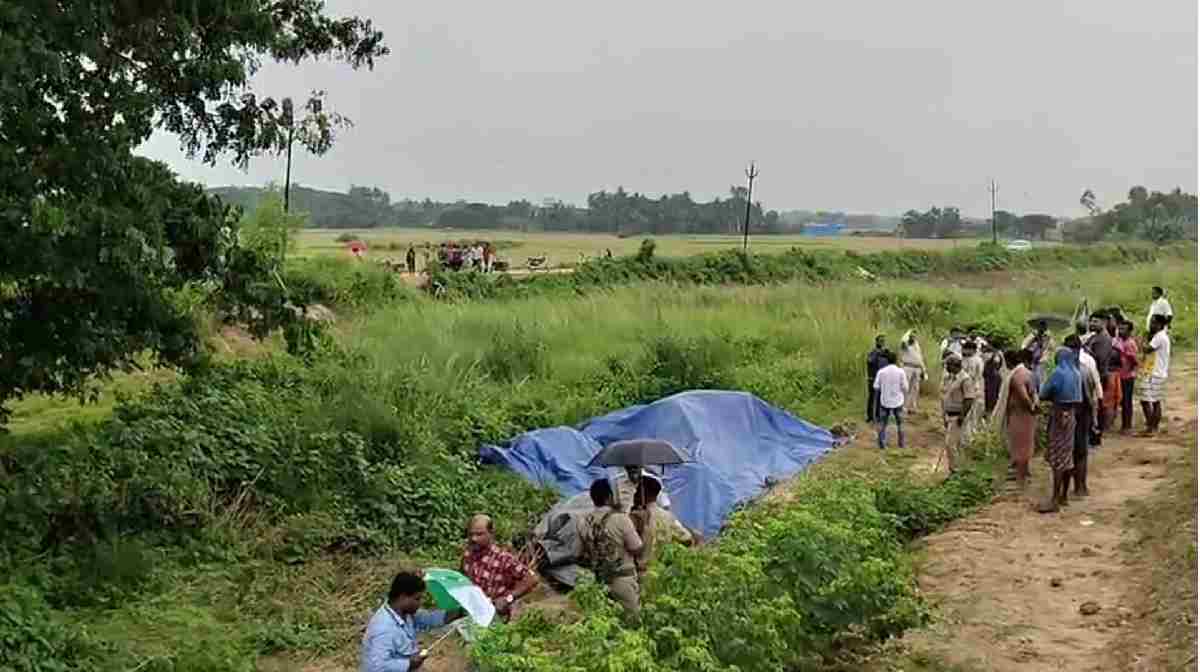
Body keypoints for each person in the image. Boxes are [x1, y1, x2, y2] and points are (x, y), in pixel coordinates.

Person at [359, 571, 464, 672]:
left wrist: (460, 612)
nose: (420, 603)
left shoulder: (406, 614)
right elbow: (376, 667)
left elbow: (431, 618)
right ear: (403, 597)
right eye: (417, 599)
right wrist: (409, 663)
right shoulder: (384, 628)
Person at [577, 478, 643, 619]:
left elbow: (582, 552)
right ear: (609, 497)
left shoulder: (583, 521)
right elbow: (637, 548)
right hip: (622, 580)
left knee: (604, 622)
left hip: (598, 581)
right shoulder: (621, 519)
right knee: (632, 622)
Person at [461, 514, 538, 621]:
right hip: (470, 610)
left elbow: (532, 579)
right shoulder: (468, 556)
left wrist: (508, 598)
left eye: (479, 534)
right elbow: (462, 580)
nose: (474, 539)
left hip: (493, 615)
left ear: (491, 533)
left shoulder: (503, 559)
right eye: (471, 534)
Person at [1038, 346, 1082, 513]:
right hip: (1071, 415)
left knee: (1057, 459)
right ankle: (1063, 496)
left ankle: (1054, 500)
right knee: (1067, 457)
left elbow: (1044, 393)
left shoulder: (1058, 373)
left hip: (1059, 415)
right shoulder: (1076, 373)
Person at [628, 475, 698, 580]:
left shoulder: (635, 517)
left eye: (636, 492)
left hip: (640, 575)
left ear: (643, 493)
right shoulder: (668, 517)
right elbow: (687, 539)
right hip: (662, 575)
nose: (634, 495)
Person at [992, 349, 1038, 488]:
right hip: (1025, 415)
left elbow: (1023, 395)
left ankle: (1020, 480)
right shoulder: (1027, 373)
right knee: (1025, 444)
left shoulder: (1017, 375)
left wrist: (1030, 407)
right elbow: (1033, 393)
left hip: (1020, 415)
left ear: (1008, 361)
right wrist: (1033, 407)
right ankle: (1023, 474)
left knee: (1020, 446)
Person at [1070, 332, 1101, 496]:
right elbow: (1092, 396)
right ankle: (1080, 487)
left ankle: (1063, 493)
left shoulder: (1063, 370)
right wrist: (1094, 419)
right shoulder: (1085, 369)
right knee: (1081, 452)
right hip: (1084, 414)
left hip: (1070, 416)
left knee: (1070, 452)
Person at [940, 354, 977, 473]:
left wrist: (962, 416)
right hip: (949, 415)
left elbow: (969, 399)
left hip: (958, 415)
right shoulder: (950, 378)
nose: (946, 367)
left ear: (955, 365)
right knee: (956, 443)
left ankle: (955, 470)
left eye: (948, 365)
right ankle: (960, 469)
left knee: (950, 444)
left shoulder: (965, 379)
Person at [1138, 314, 1171, 435]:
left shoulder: (1159, 337)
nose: (1151, 325)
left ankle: (1150, 427)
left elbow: (1147, 349)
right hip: (1158, 372)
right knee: (1155, 401)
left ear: (1160, 325)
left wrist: (1140, 340)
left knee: (1146, 400)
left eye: (1153, 323)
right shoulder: (1161, 336)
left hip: (1154, 373)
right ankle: (1153, 427)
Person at [1085, 312, 1115, 433]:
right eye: (1091, 321)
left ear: (1104, 323)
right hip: (1095, 374)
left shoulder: (1104, 339)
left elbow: (1100, 359)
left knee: (1098, 403)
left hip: (1099, 374)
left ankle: (1099, 429)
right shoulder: (1095, 336)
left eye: (1095, 321)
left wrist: (1087, 352)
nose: (1092, 324)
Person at [873, 350, 909, 450]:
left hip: (885, 401)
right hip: (898, 401)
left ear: (886, 360)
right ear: (896, 360)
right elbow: (905, 388)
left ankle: (882, 444)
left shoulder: (881, 372)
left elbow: (876, 387)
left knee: (883, 423)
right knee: (900, 423)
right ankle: (901, 443)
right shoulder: (901, 372)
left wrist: (876, 403)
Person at [1115, 320, 1140, 433]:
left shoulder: (1130, 343)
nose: (1120, 331)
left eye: (1123, 329)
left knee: (1126, 401)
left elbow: (1134, 360)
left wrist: (1131, 370)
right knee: (1122, 400)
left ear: (1129, 331)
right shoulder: (1119, 340)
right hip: (1120, 374)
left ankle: (1127, 426)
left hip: (1127, 376)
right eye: (1119, 329)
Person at [960, 339, 986, 441]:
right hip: (966, 388)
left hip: (973, 388)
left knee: (971, 413)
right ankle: (966, 435)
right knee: (967, 413)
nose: (964, 351)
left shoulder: (977, 360)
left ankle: (969, 436)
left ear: (973, 350)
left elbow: (978, 376)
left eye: (966, 349)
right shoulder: (964, 359)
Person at [899, 330, 927, 412]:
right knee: (906, 387)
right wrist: (908, 332)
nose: (913, 338)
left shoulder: (917, 345)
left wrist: (923, 370)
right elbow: (903, 340)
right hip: (908, 367)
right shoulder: (905, 345)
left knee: (915, 388)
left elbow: (920, 358)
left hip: (917, 368)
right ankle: (903, 406)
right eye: (911, 336)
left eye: (914, 336)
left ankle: (912, 406)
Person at [1021, 320, 1052, 389]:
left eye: (1044, 328)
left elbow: (1047, 348)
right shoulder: (1033, 335)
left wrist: (1044, 356)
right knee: (1031, 376)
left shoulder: (1047, 337)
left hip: (1041, 360)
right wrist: (1032, 342)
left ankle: (1039, 390)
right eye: (1041, 327)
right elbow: (1023, 346)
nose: (1042, 329)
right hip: (1031, 359)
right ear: (1038, 328)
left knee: (1039, 377)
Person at [865, 335, 887, 422]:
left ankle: (878, 416)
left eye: (883, 341)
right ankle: (870, 416)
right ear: (876, 342)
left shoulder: (884, 353)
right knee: (871, 397)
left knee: (880, 398)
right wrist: (876, 354)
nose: (882, 343)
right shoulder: (873, 352)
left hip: (882, 379)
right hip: (872, 378)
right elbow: (869, 361)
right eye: (881, 341)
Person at [982, 343, 1005, 415]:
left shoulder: (996, 355)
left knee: (992, 394)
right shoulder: (994, 354)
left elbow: (996, 364)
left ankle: (990, 411)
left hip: (992, 377)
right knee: (989, 394)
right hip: (990, 376)